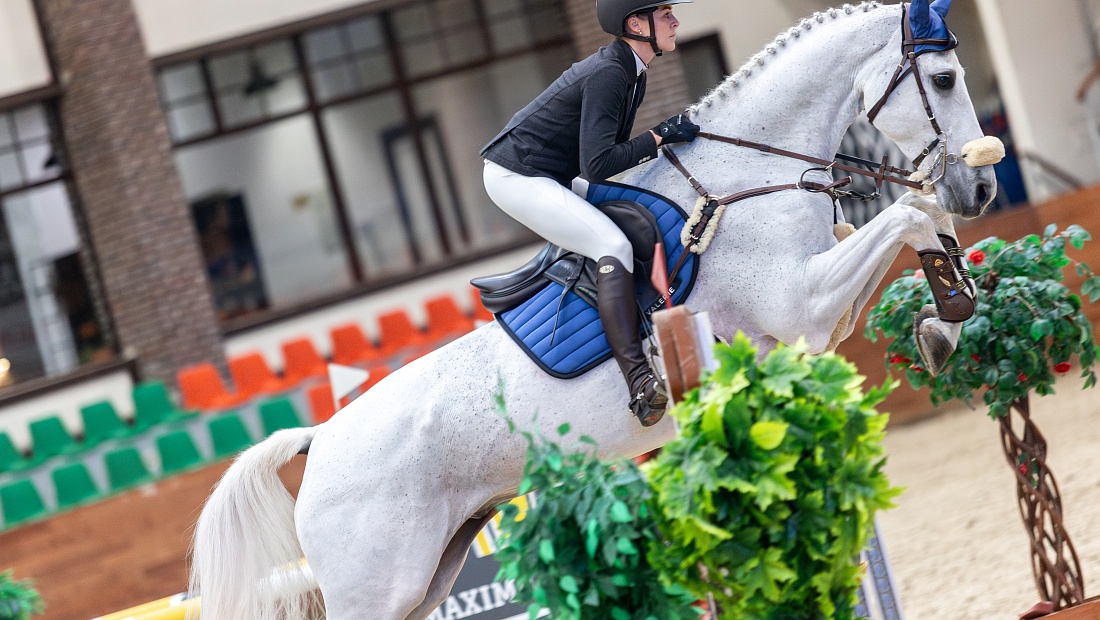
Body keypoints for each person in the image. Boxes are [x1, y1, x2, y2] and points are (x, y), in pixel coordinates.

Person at [480, 0, 699, 427]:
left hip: (550, 173)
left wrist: (659, 139)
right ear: (636, 24)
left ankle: (663, 337)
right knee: (611, 244)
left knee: (637, 214)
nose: (675, 20)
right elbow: (596, 165)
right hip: (517, 176)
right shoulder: (611, 73)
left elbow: (599, 160)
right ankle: (638, 382)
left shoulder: (631, 70)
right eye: (665, 13)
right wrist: (658, 137)